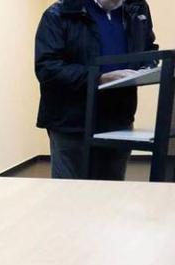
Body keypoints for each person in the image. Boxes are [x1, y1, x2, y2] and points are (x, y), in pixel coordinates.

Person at [35, 0, 157, 179]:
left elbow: (148, 47)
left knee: (110, 193)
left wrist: (149, 65)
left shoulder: (137, 8)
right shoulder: (59, 13)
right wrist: (98, 77)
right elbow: (47, 68)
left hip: (119, 120)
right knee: (69, 196)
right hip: (72, 123)